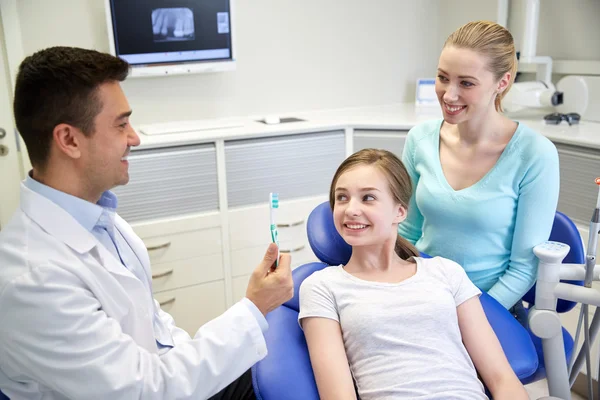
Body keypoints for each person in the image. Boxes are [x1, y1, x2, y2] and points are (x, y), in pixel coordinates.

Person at [0, 46, 293, 400]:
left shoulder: (100, 218)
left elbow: (157, 332)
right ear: (69, 140)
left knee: (289, 358)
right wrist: (254, 307)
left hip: (171, 382)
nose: (134, 138)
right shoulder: (32, 280)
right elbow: (145, 392)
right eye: (121, 124)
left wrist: (232, 336)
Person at [298, 148, 528, 400]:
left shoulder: (445, 271)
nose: (350, 209)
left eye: (367, 198)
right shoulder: (322, 286)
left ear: (400, 211)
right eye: (341, 198)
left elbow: (502, 379)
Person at [397, 21, 560, 320]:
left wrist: (466, 318)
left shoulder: (535, 155)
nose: (448, 95)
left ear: (502, 82)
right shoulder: (419, 140)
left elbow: (523, 268)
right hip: (423, 296)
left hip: (490, 309)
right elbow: (407, 232)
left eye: (466, 83)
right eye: (443, 78)